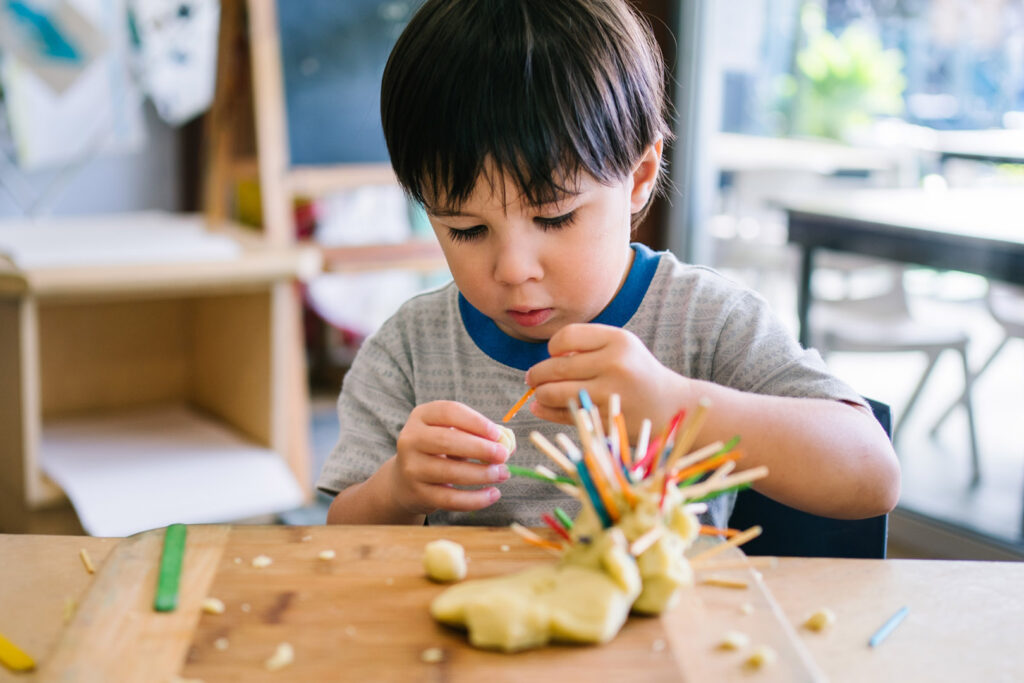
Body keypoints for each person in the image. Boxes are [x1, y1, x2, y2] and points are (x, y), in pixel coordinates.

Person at [319, 0, 900, 529]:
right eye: (466, 229)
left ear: (639, 180)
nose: (514, 269)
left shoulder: (706, 323)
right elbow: (341, 540)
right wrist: (396, 489)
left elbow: (872, 475)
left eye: (555, 219)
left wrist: (677, 406)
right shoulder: (409, 351)